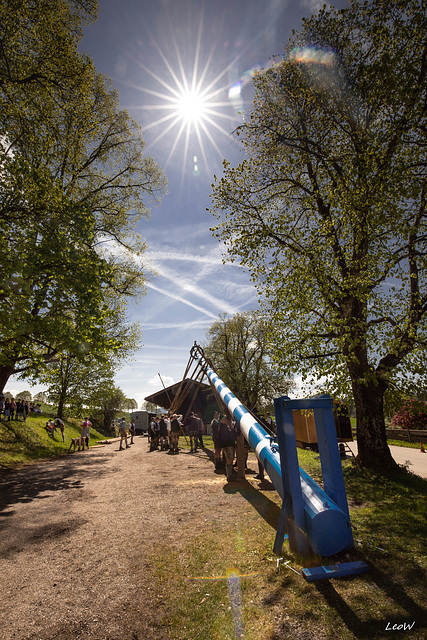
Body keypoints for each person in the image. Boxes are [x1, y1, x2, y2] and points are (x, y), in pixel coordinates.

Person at [218, 414, 239, 482]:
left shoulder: (224, 426)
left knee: (230, 459)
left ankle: (230, 475)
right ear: (221, 420)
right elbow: (229, 435)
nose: (226, 420)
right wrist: (236, 433)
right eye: (224, 419)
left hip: (227, 445)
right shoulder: (223, 427)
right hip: (227, 445)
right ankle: (229, 476)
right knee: (229, 459)